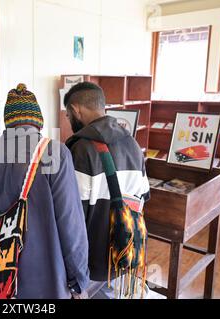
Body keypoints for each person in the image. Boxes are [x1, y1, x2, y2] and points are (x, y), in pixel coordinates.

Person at [0, 83, 90, 299]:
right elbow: (71, 224)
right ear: (38, 121)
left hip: (0, 282)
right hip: (49, 281)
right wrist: (78, 280)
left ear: (8, 123)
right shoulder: (55, 153)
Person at [64, 82, 150, 298]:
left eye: (68, 115)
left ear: (76, 109)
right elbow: (143, 197)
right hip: (124, 253)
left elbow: (72, 217)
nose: (69, 120)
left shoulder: (81, 150)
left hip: (92, 263)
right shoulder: (132, 144)